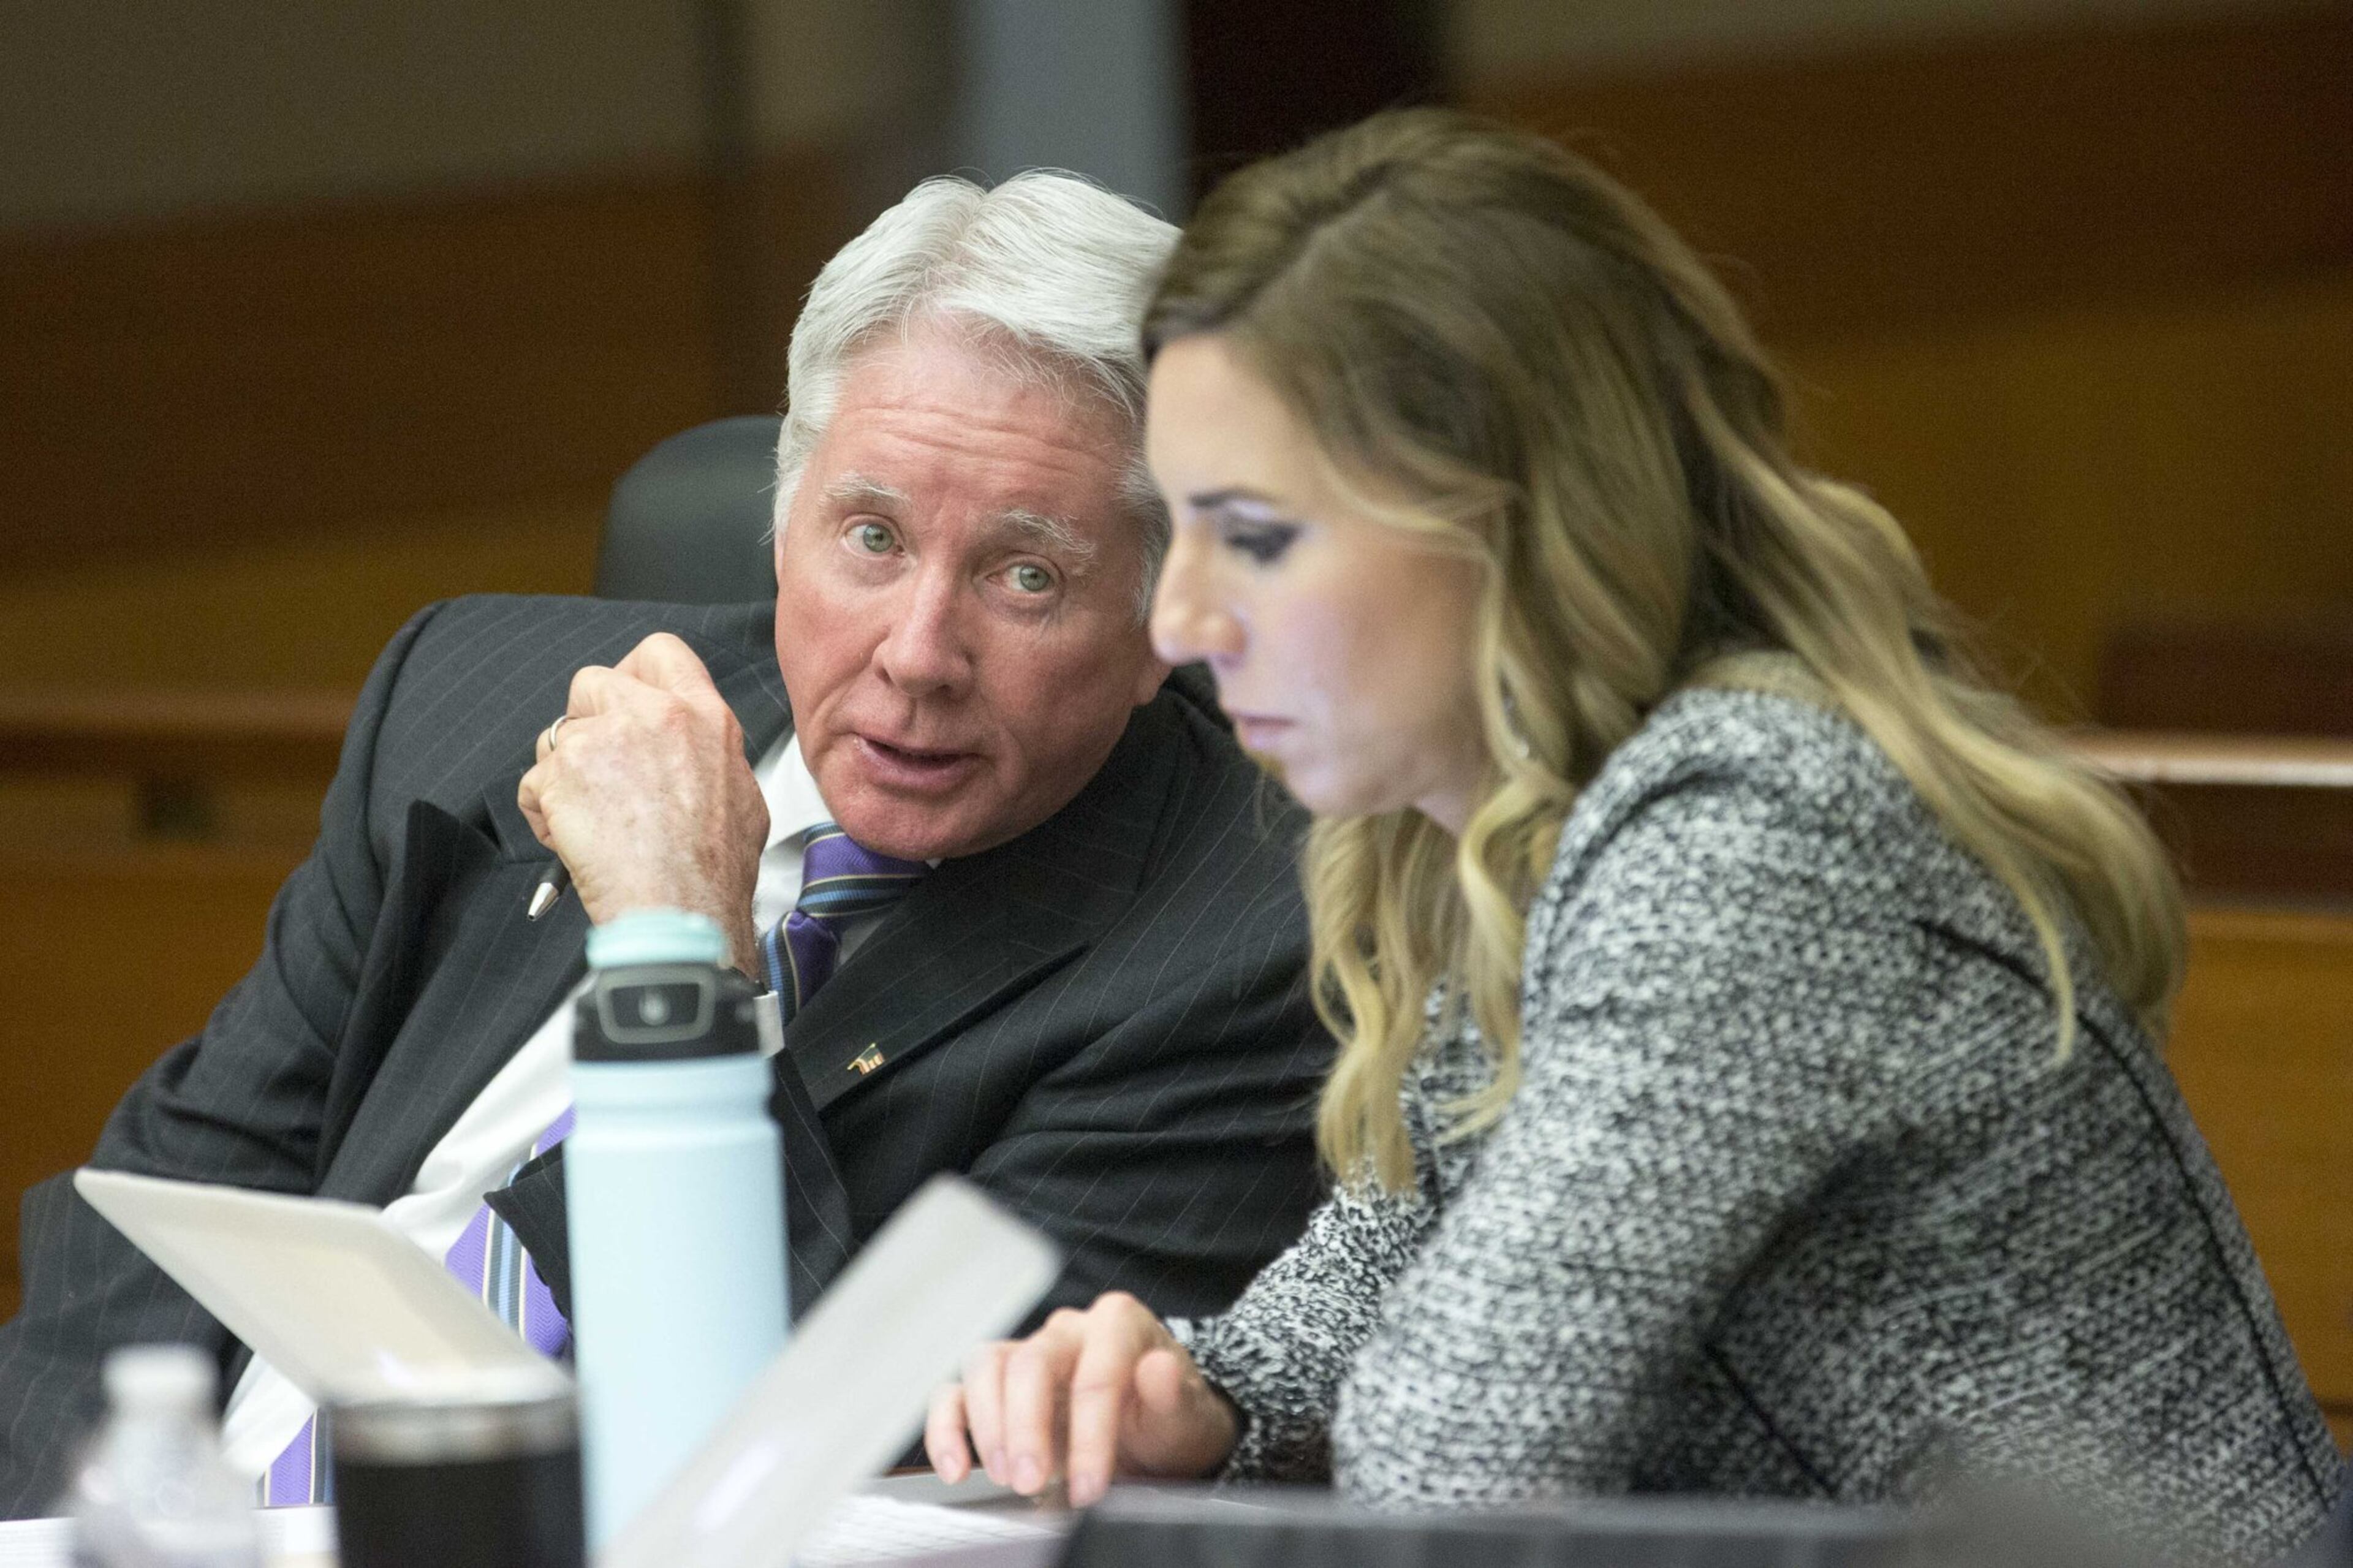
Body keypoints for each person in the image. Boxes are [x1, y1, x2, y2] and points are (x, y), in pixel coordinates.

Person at [925, 111, 2344, 1561]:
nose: (1179, 619)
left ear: (1521, 523)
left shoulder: (1748, 833)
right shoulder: (1495, 832)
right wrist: (1193, 1393)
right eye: (1186, 533)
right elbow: (1345, 1316)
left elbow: (1451, 1457)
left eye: (1263, 536)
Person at [0, 171, 1334, 1516]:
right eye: (870, 536)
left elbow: (865, 1456)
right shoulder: (474, 705)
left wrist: (681, 961)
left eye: (1025, 574)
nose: (919, 653)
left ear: (1173, 608)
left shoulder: (1247, 948)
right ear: (781, 518)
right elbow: (149, 1219)